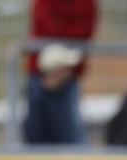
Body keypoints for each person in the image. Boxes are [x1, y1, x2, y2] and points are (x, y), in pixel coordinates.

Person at [23, 0, 97, 145]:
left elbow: (84, 33)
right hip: (41, 75)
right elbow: (44, 27)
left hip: (69, 76)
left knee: (71, 138)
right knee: (35, 136)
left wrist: (65, 68)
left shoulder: (86, 4)